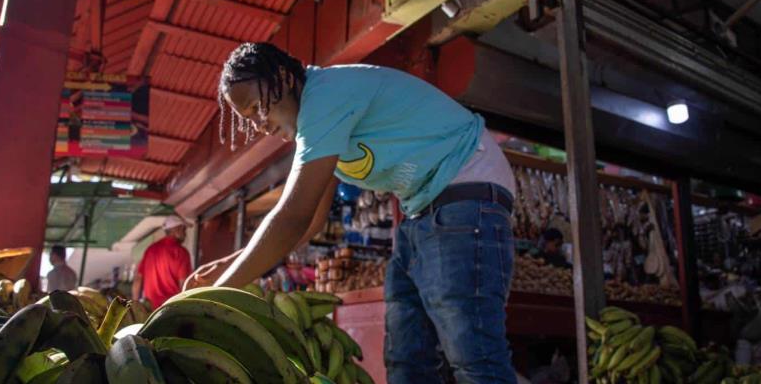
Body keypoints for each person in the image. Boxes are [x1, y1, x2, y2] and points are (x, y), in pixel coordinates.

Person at [188, 42, 517, 383]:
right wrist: (232, 263)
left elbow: (293, 216)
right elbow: (311, 221)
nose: (259, 125)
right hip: (420, 210)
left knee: (473, 355)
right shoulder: (320, 125)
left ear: (284, 78)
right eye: (248, 120)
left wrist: (216, 297)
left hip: (466, 189)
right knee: (407, 358)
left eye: (258, 108)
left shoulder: (324, 96)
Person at [133, 215, 193, 308]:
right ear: (177, 229)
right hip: (170, 309)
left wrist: (135, 306)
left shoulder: (150, 250)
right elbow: (184, 286)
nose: (185, 234)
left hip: (149, 309)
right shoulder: (181, 252)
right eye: (184, 230)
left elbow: (138, 279)